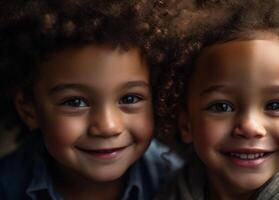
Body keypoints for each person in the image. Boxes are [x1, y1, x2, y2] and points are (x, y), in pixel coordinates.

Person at [155, 0, 279, 199]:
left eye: (275, 105)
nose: (250, 126)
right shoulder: (166, 191)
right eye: (222, 106)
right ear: (186, 125)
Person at [0, 0, 181, 199]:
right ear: (29, 109)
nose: (108, 126)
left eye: (130, 98)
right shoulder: (7, 187)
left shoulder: (175, 180)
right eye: (75, 102)